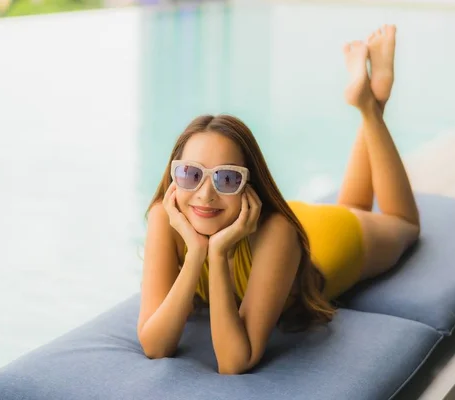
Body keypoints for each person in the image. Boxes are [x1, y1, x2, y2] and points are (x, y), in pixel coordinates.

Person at [137, 24, 420, 375]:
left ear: (249, 186)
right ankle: (370, 98)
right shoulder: (166, 216)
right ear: (174, 176)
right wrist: (197, 252)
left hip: (330, 242)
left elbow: (234, 361)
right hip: (280, 229)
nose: (205, 194)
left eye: (227, 178)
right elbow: (154, 345)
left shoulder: (278, 233)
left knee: (405, 225)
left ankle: (371, 105)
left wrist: (218, 252)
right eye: (191, 174)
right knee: (354, 202)